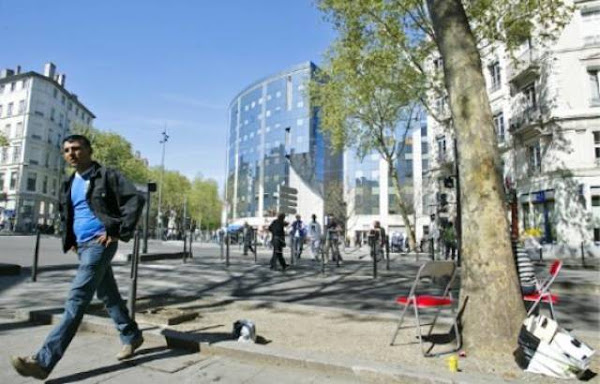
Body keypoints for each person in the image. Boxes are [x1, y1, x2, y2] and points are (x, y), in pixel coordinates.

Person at [10, 135, 145, 380]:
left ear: (89, 151)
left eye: (76, 149)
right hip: (82, 246)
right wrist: (70, 239)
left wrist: (116, 231)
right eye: (66, 150)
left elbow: (135, 198)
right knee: (108, 294)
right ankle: (132, 336)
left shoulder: (107, 176)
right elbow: (67, 214)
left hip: (99, 243)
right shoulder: (69, 183)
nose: (71, 153)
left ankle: (42, 362)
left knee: (77, 299)